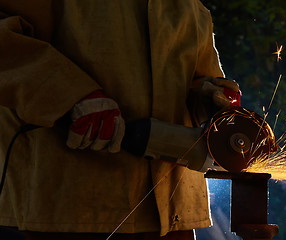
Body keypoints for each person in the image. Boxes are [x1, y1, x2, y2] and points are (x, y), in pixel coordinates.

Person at [0, 0, 239, 239]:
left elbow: (195, 69)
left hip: (173, 213)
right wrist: (70, 93)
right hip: (70, 209)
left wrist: (211, 96)